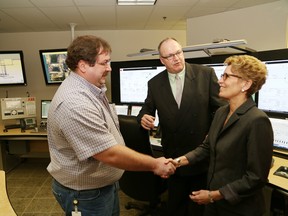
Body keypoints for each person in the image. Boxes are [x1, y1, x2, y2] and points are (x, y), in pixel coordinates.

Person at [46, 35, 176, 216]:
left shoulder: (91, 89)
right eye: (104, 63)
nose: (109, 68)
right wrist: (155, 164)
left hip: (102, 186)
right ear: (83, 65)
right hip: (86, 195)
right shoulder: (75, 104)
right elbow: (109, 153)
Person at [172, 55, 274, 216]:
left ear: (246, 84)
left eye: (226, 76)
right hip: (215, 203)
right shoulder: (221, 112)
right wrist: (177, 162)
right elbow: (206, 148)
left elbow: (256, 178)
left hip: (238, 208)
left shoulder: (257, 121)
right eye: (222, 75)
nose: (220, 81)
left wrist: (213, 196)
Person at [137, 37, 226, 216]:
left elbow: (221, 109)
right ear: (162, 60)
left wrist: (212, 133)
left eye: (178, 53)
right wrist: (143, 117)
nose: (176, 58)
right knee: (175, 207)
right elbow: (147, 109)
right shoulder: (154, 83)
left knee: (198, 208)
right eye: (170, 56)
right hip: (173, 157)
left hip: (200, 154)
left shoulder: (205, 74)